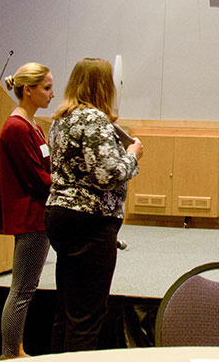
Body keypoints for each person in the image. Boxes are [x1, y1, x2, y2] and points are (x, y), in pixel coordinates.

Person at [45, 58, 142, 352]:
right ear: (104, 86)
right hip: (90, 220)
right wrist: (133, 155)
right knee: (87, 314)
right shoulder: (94, 120)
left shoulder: (61, 119)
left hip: (60, 215)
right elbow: (107, 174)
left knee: (67, 309)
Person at [0, 63, 55, 358]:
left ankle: (14, 348)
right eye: (46, 88)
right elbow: (37, 177)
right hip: (29, 216)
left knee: (25, 288)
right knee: (21, 290)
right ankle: (10, 352)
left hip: (37, 214)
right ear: (27, 90)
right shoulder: (17, 128)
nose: (52, 94)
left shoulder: (32, 124)